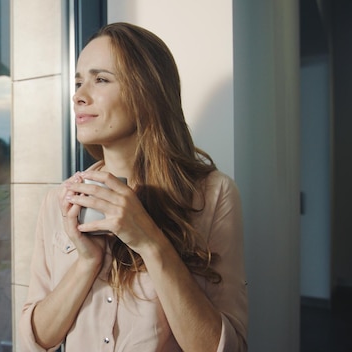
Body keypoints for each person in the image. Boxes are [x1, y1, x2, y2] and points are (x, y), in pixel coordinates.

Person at [18, 22, 248, 351]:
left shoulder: (214, 195)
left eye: (100, 79)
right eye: (79, 82)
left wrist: (151, 243)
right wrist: (87, 263)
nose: (79, 96)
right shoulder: (61, 202)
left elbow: (227, 347)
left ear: (146, 90)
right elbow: (35, 340)